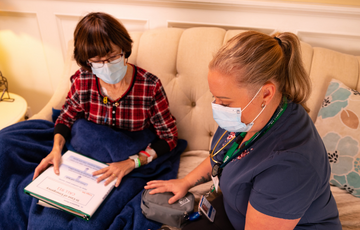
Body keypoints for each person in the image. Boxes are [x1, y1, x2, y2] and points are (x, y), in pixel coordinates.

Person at [145, 31, 341, 229]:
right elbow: (224, 153)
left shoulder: (291, 165)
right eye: (215, 98)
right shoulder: (252, 113)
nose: (218, 107)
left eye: (225, 102)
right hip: (236, 212)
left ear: (266, 93)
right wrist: (186, 182)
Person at [33, 12, 178, 188]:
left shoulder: (149, 86)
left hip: (128, 156)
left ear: (125, 50)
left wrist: (132, 162)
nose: (107, 66)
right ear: (87, 62)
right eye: (97, 61)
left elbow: (168, 137)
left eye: (114, 57)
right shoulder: (82, 80)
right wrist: (56, 150)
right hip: (86, 155)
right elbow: (66, 118)